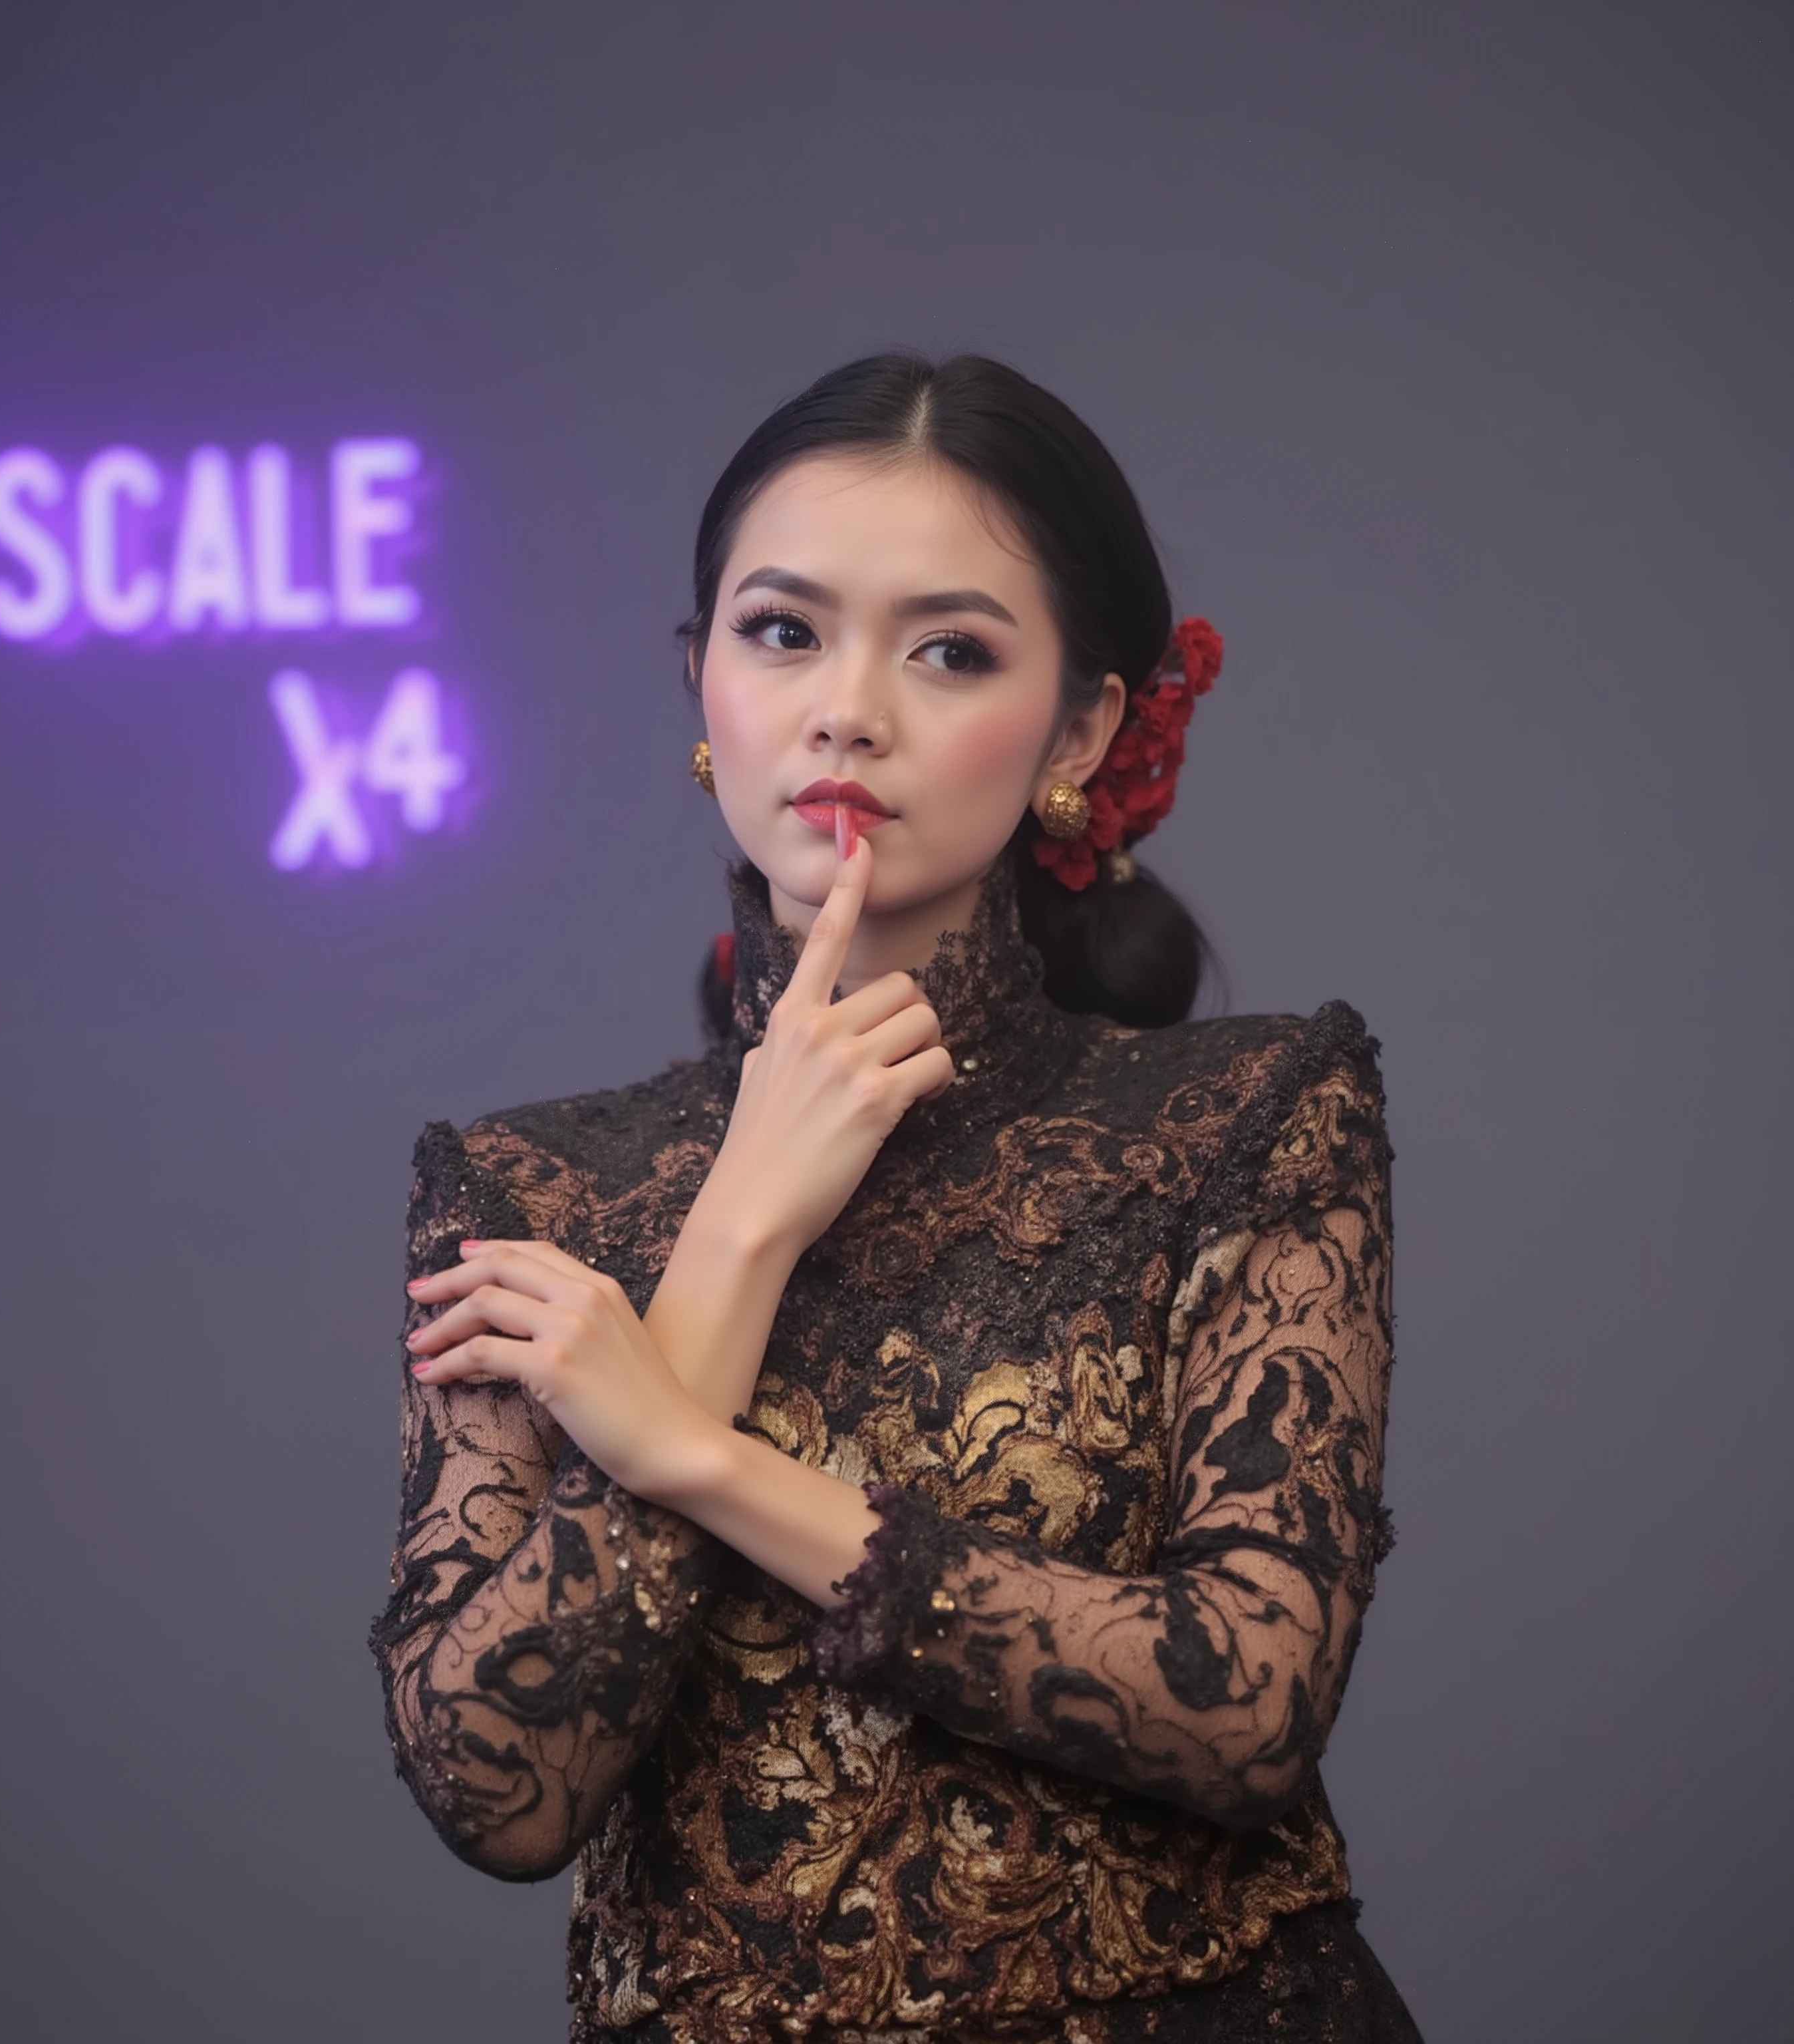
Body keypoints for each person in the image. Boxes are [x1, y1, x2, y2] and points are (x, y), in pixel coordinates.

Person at [370, 353, 1421, 2043]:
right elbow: (502, 1793)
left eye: (950, 651)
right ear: (699, 685)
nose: (847, 706)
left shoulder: (1248, 1116)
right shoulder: (526, 1191)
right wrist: (737, 1232)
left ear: (1082, 724)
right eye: (782, 631)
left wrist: (694, 1456)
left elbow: (1248, 1703)